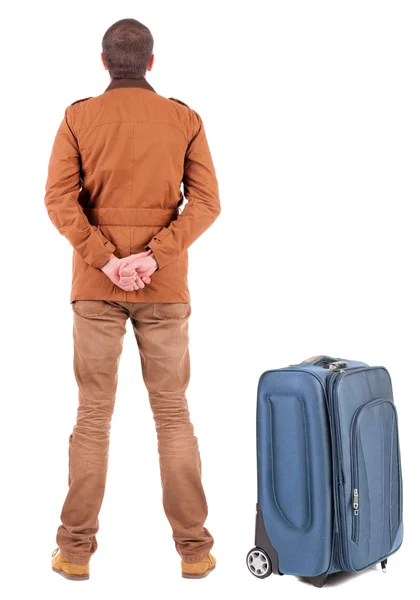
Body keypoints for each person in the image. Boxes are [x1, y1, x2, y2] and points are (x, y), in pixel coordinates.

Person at [45, 18, 220, 581]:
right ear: (150, 62)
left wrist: (105, 259)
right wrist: (154, 256)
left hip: (96, 286)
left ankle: (74, 553)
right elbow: (206, 204)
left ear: (103, 63)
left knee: (93, 415)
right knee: (173, 414)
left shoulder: (78, 117)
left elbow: (58, 201)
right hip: (164, 286)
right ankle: (195, 553)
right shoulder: (184, 119)